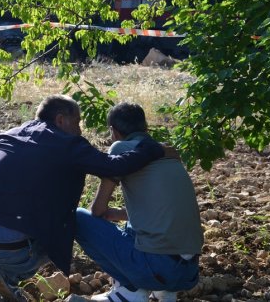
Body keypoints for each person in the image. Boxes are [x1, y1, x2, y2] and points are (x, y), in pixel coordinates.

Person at [0, 95, 173, 301]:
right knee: (57, 232)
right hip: (14, 251)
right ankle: (8, 279)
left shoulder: (6, 135)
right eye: (77, 122)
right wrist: (152, 149)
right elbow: (114, 166)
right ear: (60, 119)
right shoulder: (69, 144)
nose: (80, 130)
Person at [76, 102, 203, 302]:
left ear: (113, 131)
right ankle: (165, 293)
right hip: (188, 273)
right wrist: (119, 214)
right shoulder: (168, 153)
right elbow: (161, 210)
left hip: (159, 269)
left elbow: (98, 210)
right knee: (134, 223)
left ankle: (129, 292)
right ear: (146, 129)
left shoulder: (121, 147)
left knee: (78, 218)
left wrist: (106, 212)